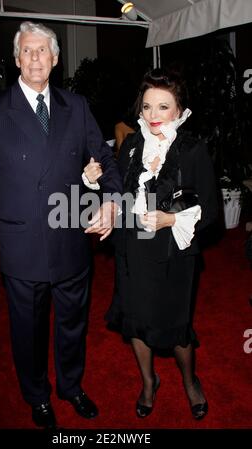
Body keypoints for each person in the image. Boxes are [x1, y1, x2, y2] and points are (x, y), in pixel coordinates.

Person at [0, 21, 121, 429]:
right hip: (21, 245)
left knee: (73, 324)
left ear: (55, 58)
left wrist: (111, 200)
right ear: (17, 59)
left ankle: (71, 386)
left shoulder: (76, 106)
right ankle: (37, 395)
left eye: (43, 51)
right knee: (28, 332)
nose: (36, 58)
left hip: (71, 238)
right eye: (27, 51)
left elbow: (104, 158)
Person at [88, 69, 218, 420]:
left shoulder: (192, 149)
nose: (154, 115)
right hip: (133, 251)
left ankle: (190, 382)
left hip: (175, 254)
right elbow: (120, 194)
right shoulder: (131, 145)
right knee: (135, 322)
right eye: (147, 107)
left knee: (175, 327)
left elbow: (211, 209)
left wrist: (171, 219)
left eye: (163, 107)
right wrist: (97, 182)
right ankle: (148, 382)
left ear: (179, 110)